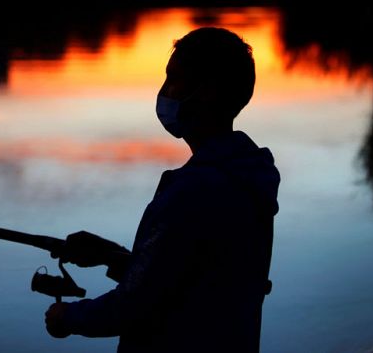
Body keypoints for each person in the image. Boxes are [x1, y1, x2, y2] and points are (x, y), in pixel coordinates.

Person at [44, 27, 280, 352]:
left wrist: (67, 317)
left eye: (173, 80)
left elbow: (132, 305)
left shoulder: (191, 192)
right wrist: (113, 256)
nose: (164, 92)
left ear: (207, 92)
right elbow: (195, 278)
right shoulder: (248, 178)